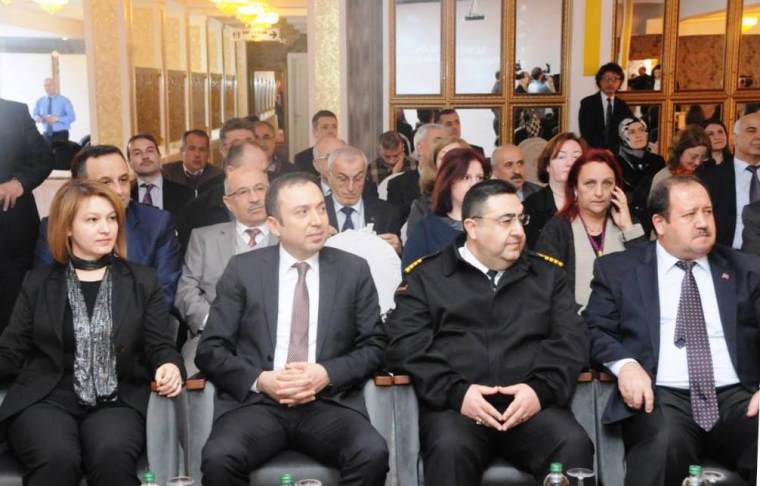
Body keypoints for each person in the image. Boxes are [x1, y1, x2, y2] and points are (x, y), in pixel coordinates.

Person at [386, 178, 593, 485]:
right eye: (506, 221)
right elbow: (406, 344)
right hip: (458, 408)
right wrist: (456, 393)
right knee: (449, 449)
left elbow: (572, 340)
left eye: (520, 219)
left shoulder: (547, 275)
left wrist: (540, 390)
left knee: (573, 444)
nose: (518, 231)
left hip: (531, 407)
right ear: (472, 227)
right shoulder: (428, 277)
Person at [196, 172, 388, 486]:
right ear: (275, 225)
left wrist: (326, 373)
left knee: (371, 453)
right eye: (302, 212)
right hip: (258, 404)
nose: (317, 221)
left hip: (327, 402)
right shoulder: (243, 270)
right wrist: (261, 380)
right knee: (220, 458)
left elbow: (375, 345)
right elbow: (210, 349)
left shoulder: (353, 270)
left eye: (321, 209)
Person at [0, 179, 184, 486]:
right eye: (92, 220)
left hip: (118, 399)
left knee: (111, 456)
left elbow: (160, 345)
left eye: (111, 218)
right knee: (56, 458)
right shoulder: (38, 282)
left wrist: (169, 365)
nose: (106, 228)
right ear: (67, 228)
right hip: (47, 398)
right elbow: (11, 350)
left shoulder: (142, 281)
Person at [584, 175, 760, 486]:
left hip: (739, 397)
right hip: (662, 397)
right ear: (660, 223)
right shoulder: (619, 270)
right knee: (663, 443)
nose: (703, 223)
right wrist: (625, 365)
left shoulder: (745, 269)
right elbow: (594, 328)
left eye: (707, 212)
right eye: (690, 214)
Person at [35, 145, 181, 305]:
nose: (119, 191)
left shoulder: (157, 224)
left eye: (123, 180)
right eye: (105, 182)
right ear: (79, 186)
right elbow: (46, 294)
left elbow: (163, 296)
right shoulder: (56, 225)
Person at [175, 165, 276, 374]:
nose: (254, 198)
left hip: (277, 339)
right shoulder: (203, 238)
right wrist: (216, 322)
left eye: (260, 188)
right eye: (243, 192)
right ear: (228, 203)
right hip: (215, 337)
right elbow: (186, 292)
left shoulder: (291, 236)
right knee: (191, 380)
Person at [536, 149, 645, 308]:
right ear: (575, 188)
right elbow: (547, 289)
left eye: (607, 183)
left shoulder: (629, 223)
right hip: (574, 321)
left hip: (624, 320)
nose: (599, 193)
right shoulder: (558, 229)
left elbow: (647, 279)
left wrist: (628, 228)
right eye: (590, 183)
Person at [0, 98, 54, 333]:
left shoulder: (14, 112)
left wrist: (20, 183)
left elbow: (44, 158)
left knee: (15, 315)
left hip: (12, 233)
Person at [402, 148, 489, 268]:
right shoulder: (426, 230)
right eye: (466, 177)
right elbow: (412, 274)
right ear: (448, 181)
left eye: (479, 178)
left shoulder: (493, 223)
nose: (474, 184)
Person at [175, 141, 269, 251]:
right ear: (230, 171)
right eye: (254, 170)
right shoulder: (197, 212)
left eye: (265, 171)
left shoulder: (277, 202)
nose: (262, 176)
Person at [699, 111, 760, 249]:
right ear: (733, 139)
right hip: (725, 255)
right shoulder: (710, 178)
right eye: (751, 131)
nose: (759, 136)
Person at [325, 146, 402, 253]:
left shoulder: (387, 213)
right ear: (329, 176)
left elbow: (401, 260)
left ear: (365, 176)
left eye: (358, 179)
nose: (351, 187)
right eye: (342, 179)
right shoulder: (314, 213)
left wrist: (398, 250)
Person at [523, 132, 586, 248]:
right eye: (561, 157)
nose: (570, 163)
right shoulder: (531, 206)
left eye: (576, 157)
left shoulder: (593, 200)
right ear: (547, 166)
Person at [407, 136, 471, 236]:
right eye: (444, 158)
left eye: (456, 157)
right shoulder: (422, 208)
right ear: (435, 165)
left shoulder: (483, 201)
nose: (450, 163)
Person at [387, 123, 448, 224]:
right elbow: (394, 225)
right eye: (438, 141)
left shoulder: (456, 181)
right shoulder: (398, 185)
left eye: (447, 143)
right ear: (419, 147)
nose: (444, 147)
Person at [126, 133, 194, 218]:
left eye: (150, 151)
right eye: (137, 153)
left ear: (159, 156)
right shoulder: (124, 196)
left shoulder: (186, 194)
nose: (145, 156)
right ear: (129, 162)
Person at [616, 118, 665, 234]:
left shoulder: (657, 161)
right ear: (622, 136)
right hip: (627, 221)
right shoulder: (615, 163)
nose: (638, 135)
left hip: (655, 220)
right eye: (631, 132)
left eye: (641, 130)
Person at [578, 63, 633, 152]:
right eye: (606, 78)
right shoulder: (587, 103)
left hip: (617, 153)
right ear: (599, 81)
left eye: (615, 79)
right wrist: (603, 152)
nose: (610, 83)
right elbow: (586, 132)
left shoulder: (623, 106)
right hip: (594, 151)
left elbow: (627, 130)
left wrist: (613, 151)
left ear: (620, 82)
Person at [161, 130, 223, 195]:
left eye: (202, 150)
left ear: (208, 154)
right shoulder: (166, 174)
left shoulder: (218, 176)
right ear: (182, 152)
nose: (197, 154)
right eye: (192, 149)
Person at [651, 125, 710, 194]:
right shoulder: (663, 178)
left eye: (702, 157)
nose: (698, 162)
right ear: (679, 153)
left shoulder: (704, 175)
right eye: (693, 157)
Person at [293, 110, 338, 175]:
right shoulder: (302, 158)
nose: (331, 131)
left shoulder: (345, 154)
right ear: (315, 132)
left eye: (334, 127)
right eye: (325, 127)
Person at [32, 78, 75, 143]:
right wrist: (38, 118)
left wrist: (57, 119)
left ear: (55, 86)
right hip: (46, 134)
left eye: (50, 85)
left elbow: (72, 117)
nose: (47, 88)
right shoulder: (40, 101)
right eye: (45, 85)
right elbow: (34, 115)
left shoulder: (64, 100)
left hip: (61, 134)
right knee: (45, 149)